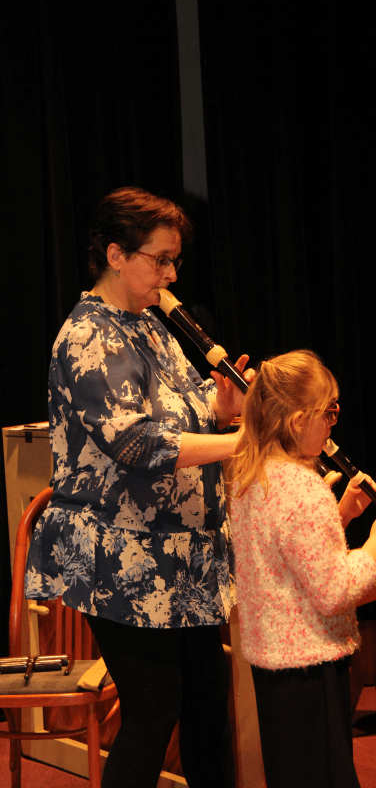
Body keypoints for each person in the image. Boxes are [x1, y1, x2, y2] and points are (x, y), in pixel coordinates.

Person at [25, 186, 252, 788]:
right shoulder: (87, 336)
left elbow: (183, 409)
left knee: (206, 705)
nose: (172, 274)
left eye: (175, 260)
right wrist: (245, 443)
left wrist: (223, 406)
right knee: (153, 710)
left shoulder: (150, 324)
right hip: (121, 554)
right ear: (116, 255)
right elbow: (137, 444)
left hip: (182, 553)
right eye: (161, 259)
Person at [229, 350, 376, 788]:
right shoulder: (303, 488)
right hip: (310, 665)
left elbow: (290, 560)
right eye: (328, 413)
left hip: (275, 664)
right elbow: (333, 590)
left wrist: (342, 514)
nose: (333, 424)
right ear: (298, 421)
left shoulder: (252, 475)